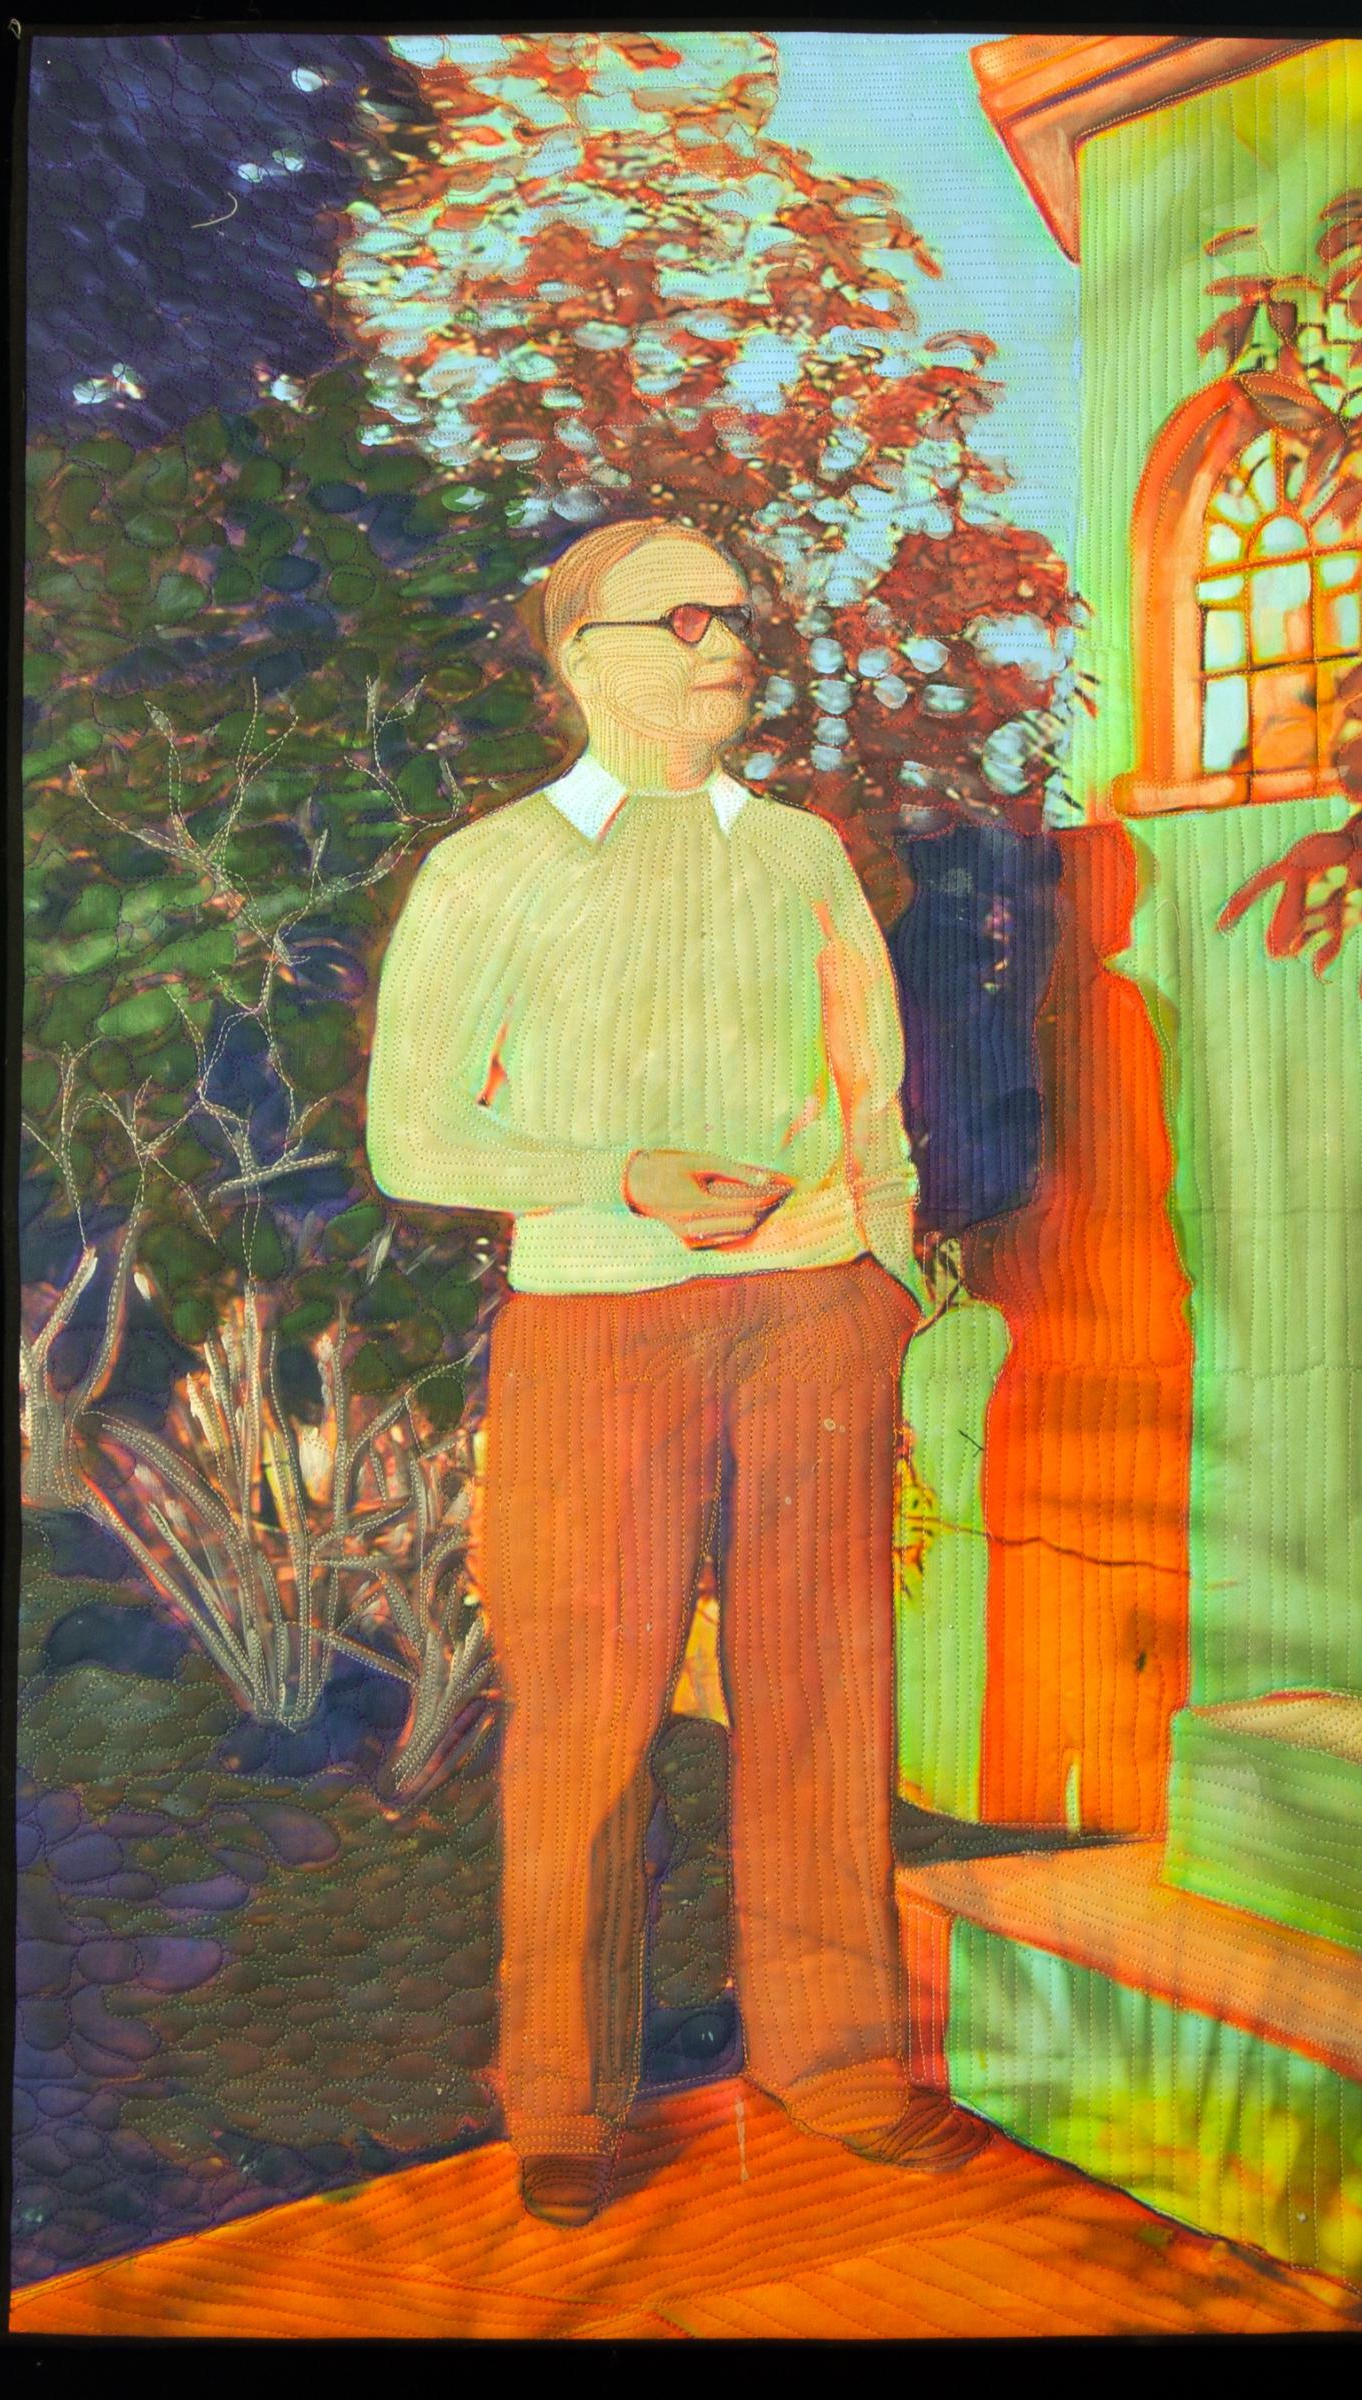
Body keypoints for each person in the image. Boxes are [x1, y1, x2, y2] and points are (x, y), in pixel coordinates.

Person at [366, 517, 994, 2225]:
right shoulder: (490, 869)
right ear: (582, 656)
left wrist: (878, 1279)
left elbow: (869, 1084)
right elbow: (414, 1136)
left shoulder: (794, 852)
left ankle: (838, 2060)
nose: (730, 644)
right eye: (686, 618)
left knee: (823, 1690)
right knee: (585, 1712)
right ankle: (564, 2099)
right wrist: (620, 1178)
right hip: (596, 1327)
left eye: (738, 615)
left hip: (813, 1324)